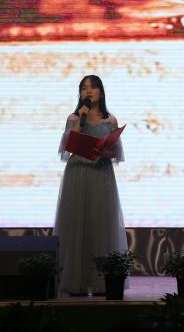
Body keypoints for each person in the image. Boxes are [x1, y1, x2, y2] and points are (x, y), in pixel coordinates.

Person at [54, 74, 127, 296]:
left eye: (93, 87)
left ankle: (101, 282)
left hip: (100, 174)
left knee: (100, 223)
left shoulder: (110, 120)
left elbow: (117, 153)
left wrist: (107, 151)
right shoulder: (74, 117)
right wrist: (80, 119)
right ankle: (75, 282)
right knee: (76, 224)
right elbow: (66, 146)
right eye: (84, 87)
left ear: (101, 93)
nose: (88, 91)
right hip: (78, 173)